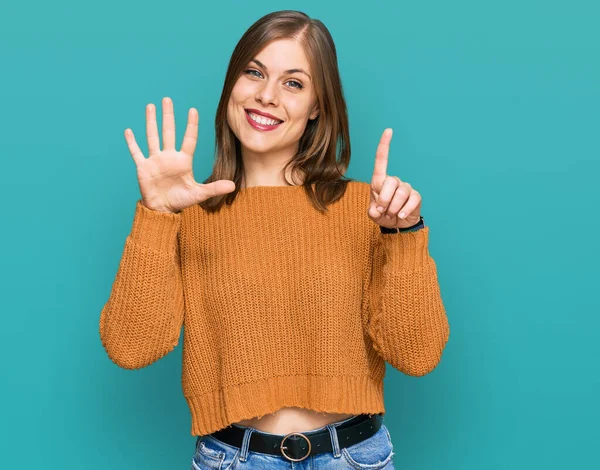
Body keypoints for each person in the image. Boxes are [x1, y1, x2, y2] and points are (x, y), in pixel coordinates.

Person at [99, 9, 450, 469]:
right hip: (233, 458)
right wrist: (158, 215)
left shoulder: (369, 210)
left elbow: (418, 356)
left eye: (293, 83)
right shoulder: (189, 216)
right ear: (232, 83)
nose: (266, 96)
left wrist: (402, 237)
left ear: (317, 106)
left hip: (353, 457)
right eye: (254, 72)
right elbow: (130, 348)